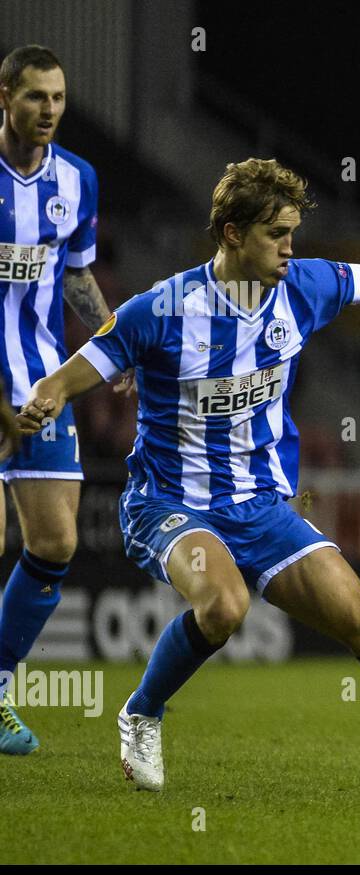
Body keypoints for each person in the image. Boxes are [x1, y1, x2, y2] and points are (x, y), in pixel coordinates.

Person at [18, 158, 360, 809]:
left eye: (293, 232)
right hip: (168, 503)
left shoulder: (306, 287)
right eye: (276, 233)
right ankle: (143, 711)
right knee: (224, 605)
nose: (291, 246)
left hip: (261, 508)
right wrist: (47, 395)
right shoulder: (163, 310)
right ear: (231, 233)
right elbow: (85, 363)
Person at [0, 45, 118, 755]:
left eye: (59, 98)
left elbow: (75, 277)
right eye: (36, 97)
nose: (49, 110)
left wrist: (109, 346)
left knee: (55, 541)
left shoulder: (78, 180)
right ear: (4, 96)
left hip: (40, 382)